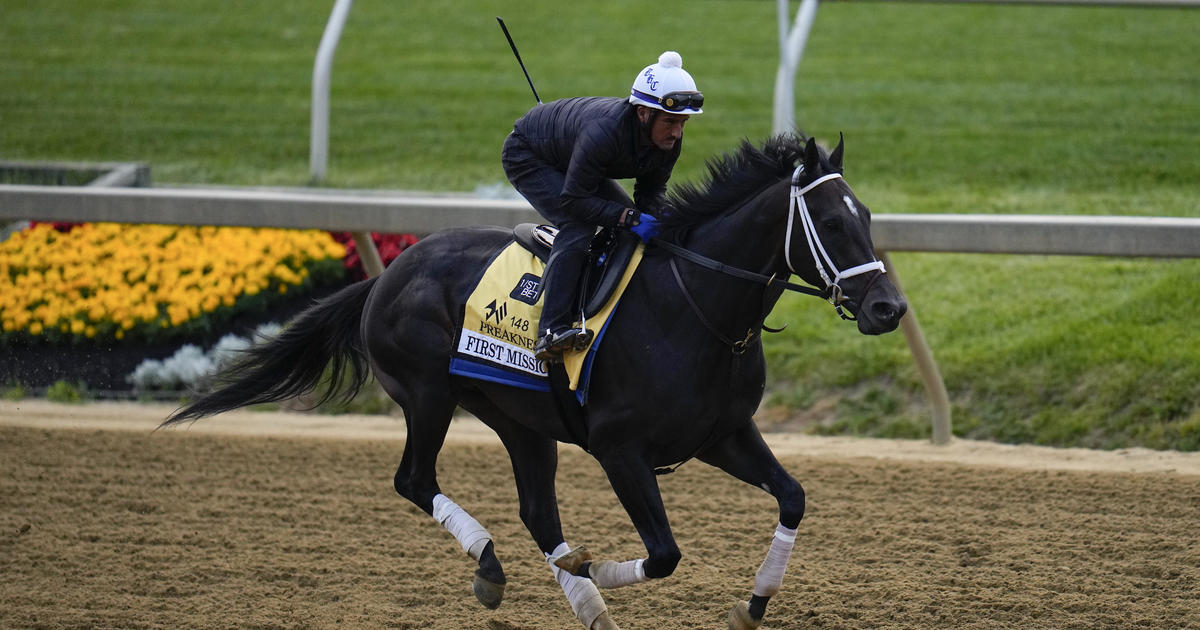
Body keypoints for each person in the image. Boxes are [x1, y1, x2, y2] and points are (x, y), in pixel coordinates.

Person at [501, 50, 704, 362]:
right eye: (670, 122)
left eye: (683, 123)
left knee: (632, 227)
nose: (677, 133)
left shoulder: (668, 141)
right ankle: (551, 331)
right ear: (643, 114)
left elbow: (650, 194)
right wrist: (629, 216)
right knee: (577, 225)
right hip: (529, 155)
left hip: (576, 164)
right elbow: (574, 200)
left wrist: (665, 221)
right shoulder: (605, 132)